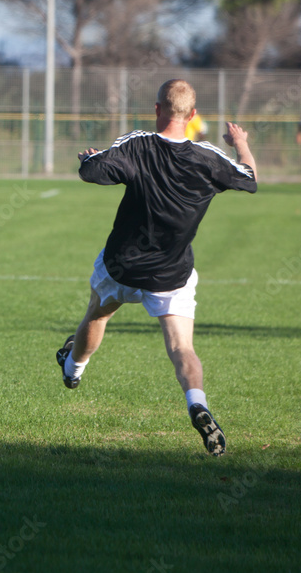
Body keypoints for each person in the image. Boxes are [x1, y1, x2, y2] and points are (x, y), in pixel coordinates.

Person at [55, 79, 258, 456]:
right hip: (171, 273)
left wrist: (89, 159)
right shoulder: (207, 157)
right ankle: (197, 404)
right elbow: (249, 179)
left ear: (156, 109)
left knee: (97, 317)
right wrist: (240, 142)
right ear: (193, 115)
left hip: (122, 265)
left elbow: (93, 171)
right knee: (182, 347)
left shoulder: (137, 144)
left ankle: (73, 370)